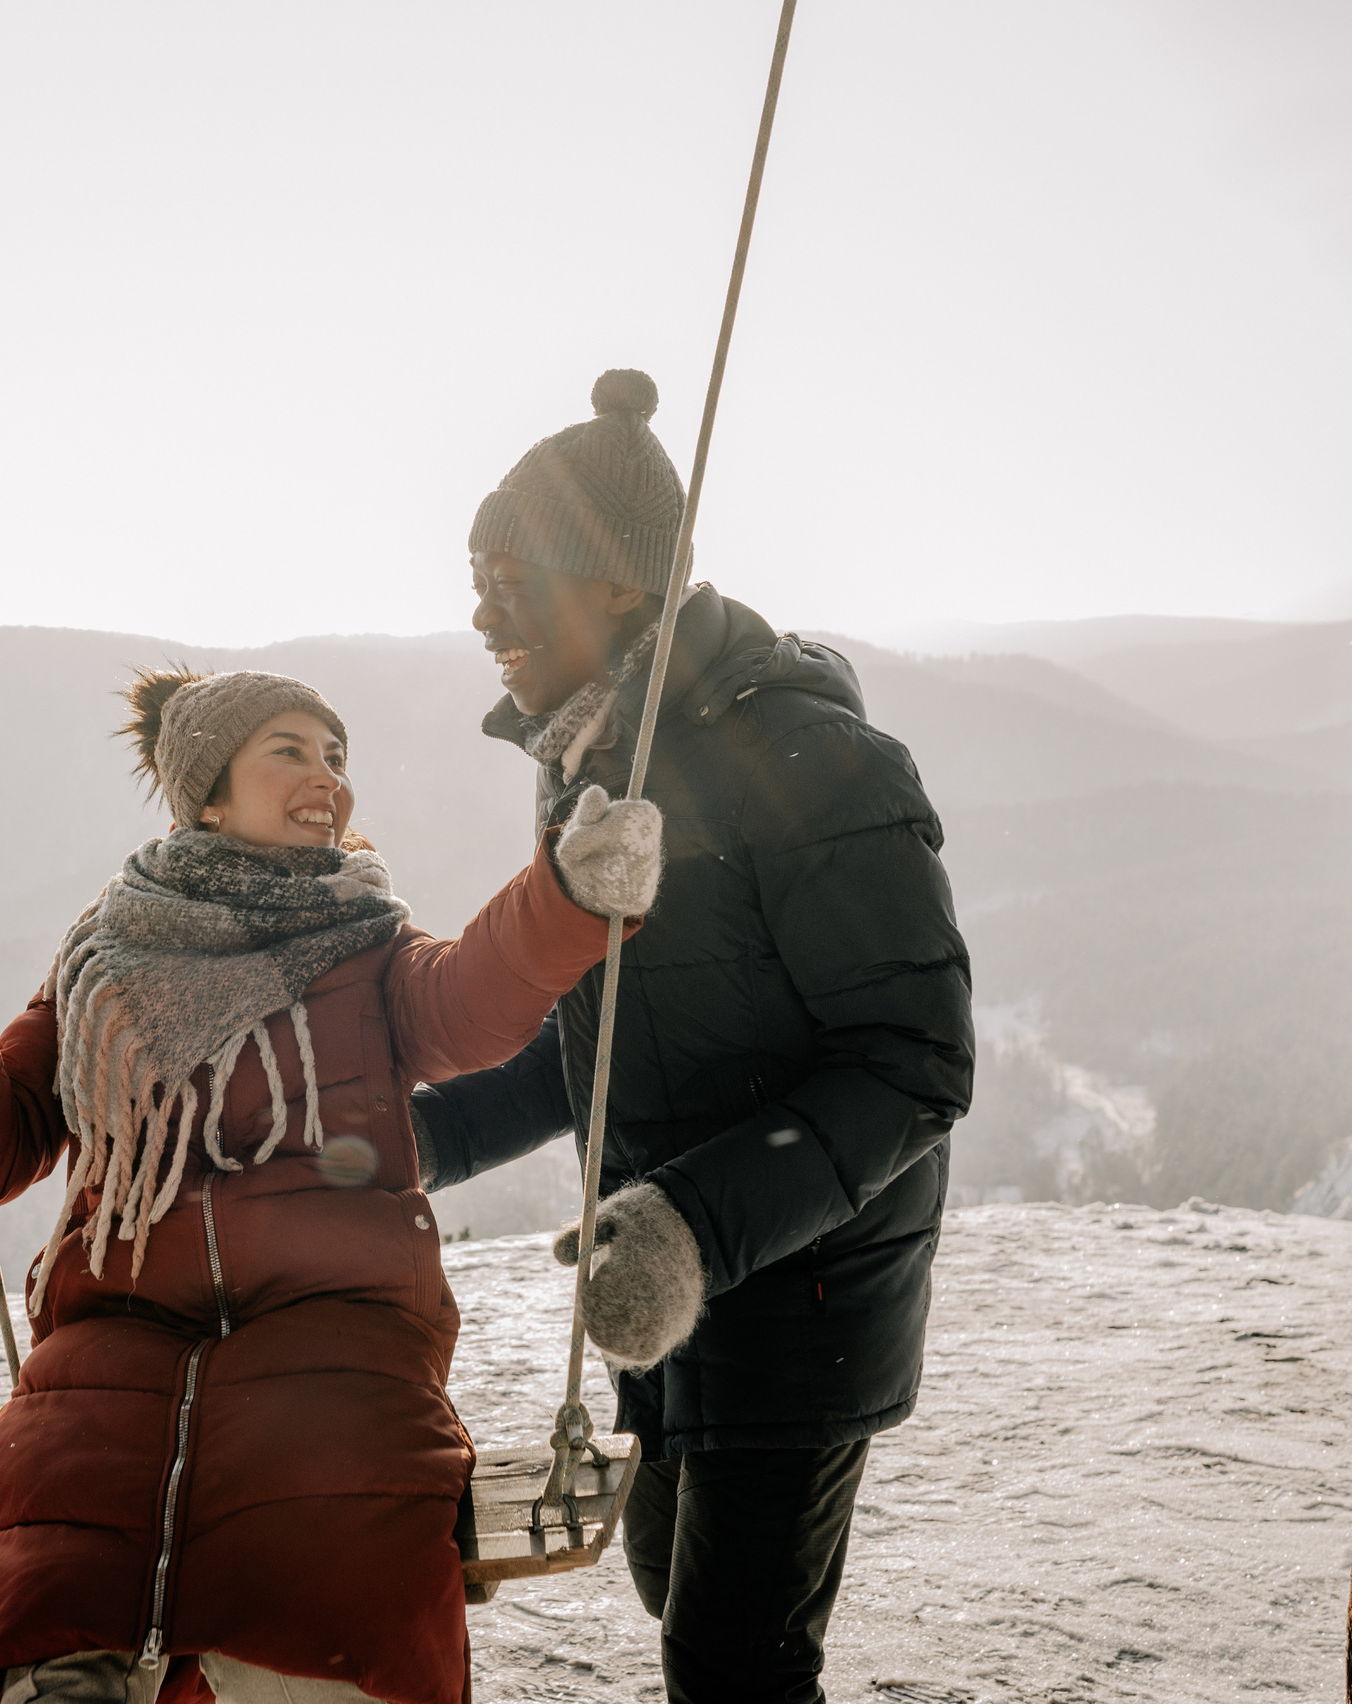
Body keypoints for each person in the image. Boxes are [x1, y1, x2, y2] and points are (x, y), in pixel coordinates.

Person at [0, 666, 663, 1704]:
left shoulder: (367, 944)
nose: (326, 778)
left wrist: (563, 900)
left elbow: (469, 998)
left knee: (335, 1593)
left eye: (336, 756)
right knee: (37, 1576)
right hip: (108, 1351)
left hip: (336, 1340)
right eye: (289, 752)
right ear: (207, 794)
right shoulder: (104, 965)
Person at [410, 369, 976, 1704]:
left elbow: (914, 1061)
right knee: (670, 1581)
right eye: (475, 579)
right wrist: (410, 1140)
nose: (481, 614)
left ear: (617, 586)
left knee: (730, 1665)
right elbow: (600, 1035)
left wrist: (687, 1230)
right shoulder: (592, 760)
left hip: (804, 1294)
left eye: (511, 579)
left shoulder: (813, 760)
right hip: (671, 1291)